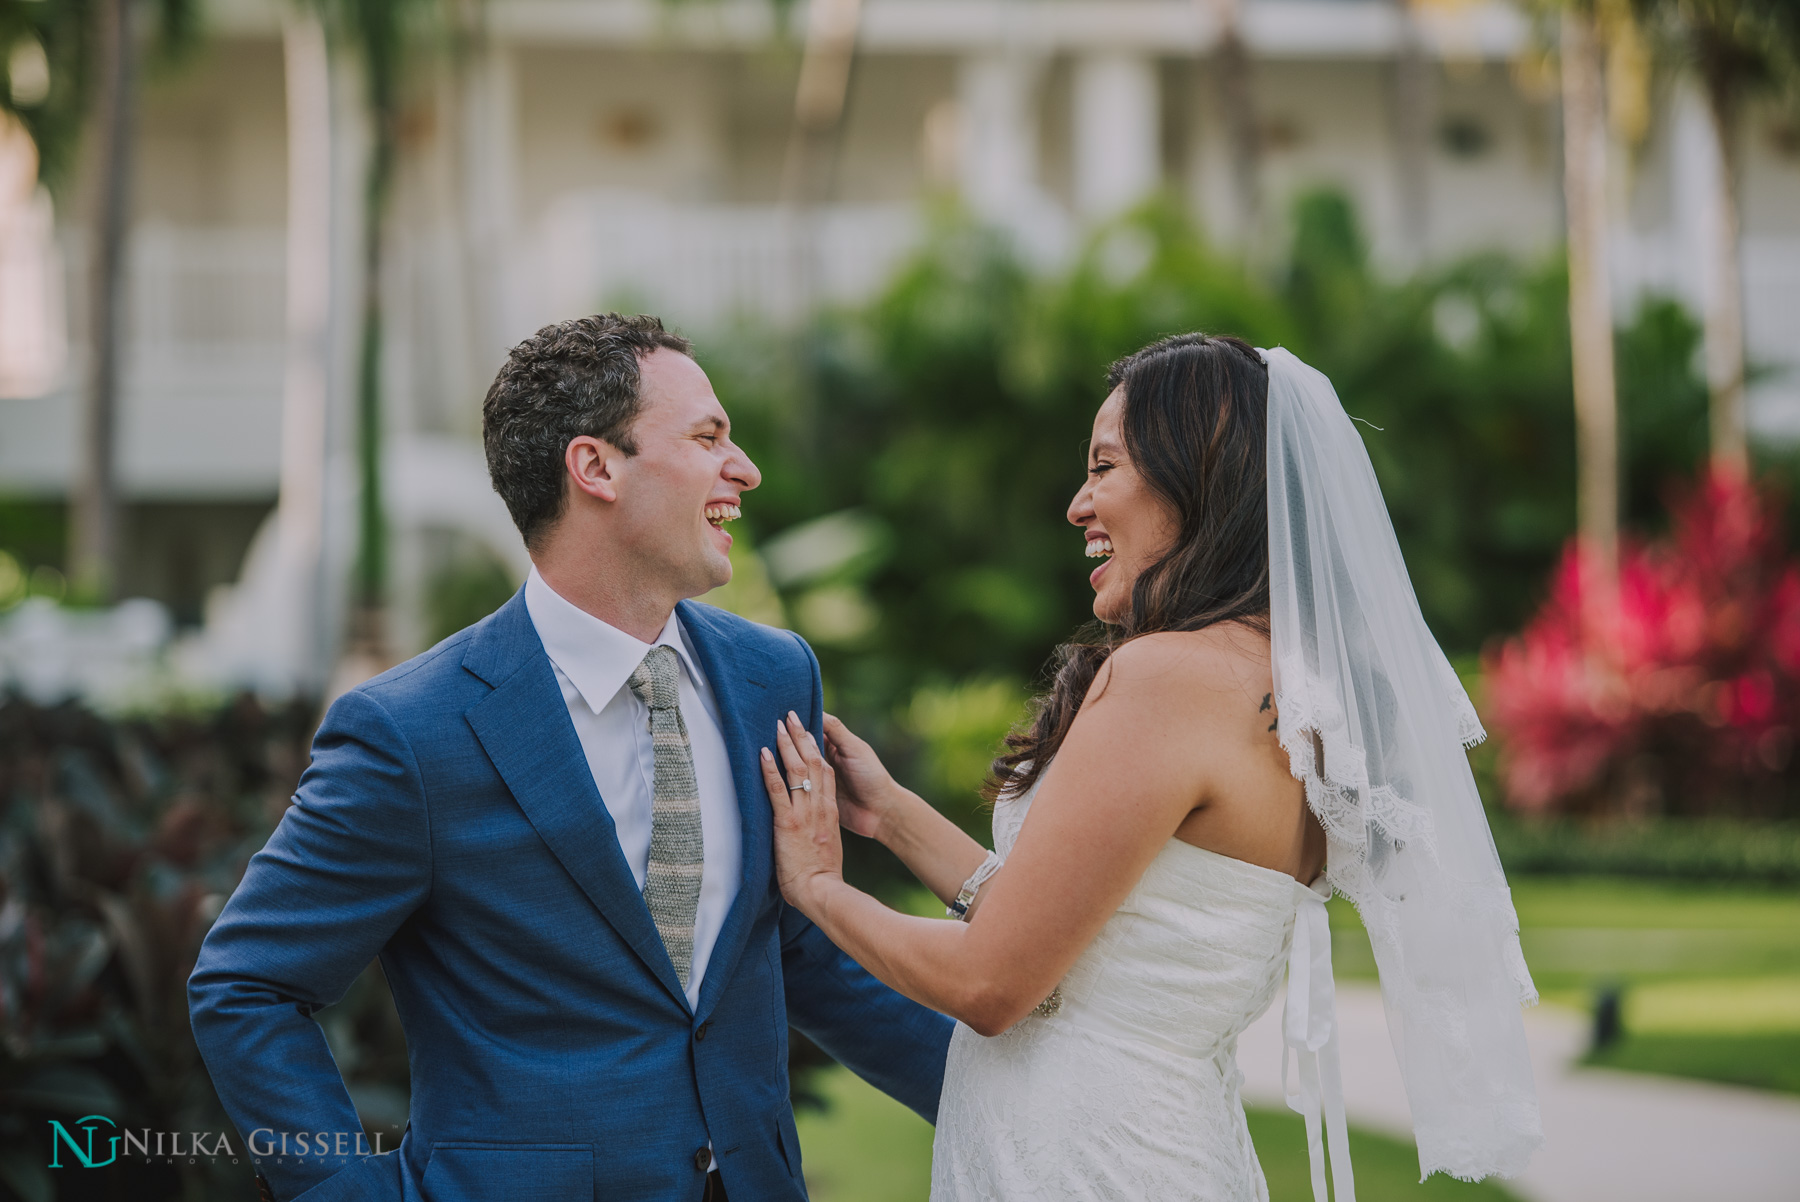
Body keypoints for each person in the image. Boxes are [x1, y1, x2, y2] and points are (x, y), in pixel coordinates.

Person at [188, 314, 954, 1202]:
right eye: (708, 438)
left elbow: (798, 952)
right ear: (596, 468)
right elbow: (246, 985)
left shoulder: (771, 676)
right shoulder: (411, 733)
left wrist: (1018, 1108)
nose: (743, 469)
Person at [761, 333, 1543, 1201]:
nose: (1077, 504)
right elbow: (1077, 940)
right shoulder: (1285, 689)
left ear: (1195, 478)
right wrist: (894, 815)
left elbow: (988, 982)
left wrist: (819, 887)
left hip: (1085, 1164)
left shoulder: (1169, 676)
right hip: (1158, 1148)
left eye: (1104, 467)